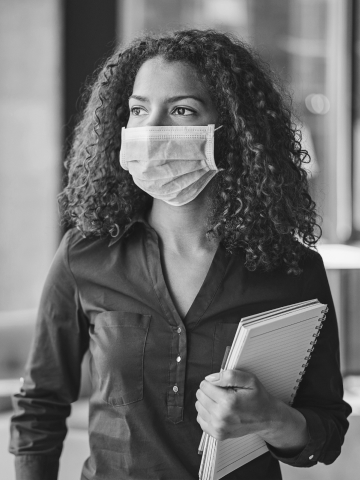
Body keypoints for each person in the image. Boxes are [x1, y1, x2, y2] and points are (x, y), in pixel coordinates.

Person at [9, 29, 351, 480]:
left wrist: (272, 418)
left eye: (182, 110)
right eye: (138, 110)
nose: (150, 131)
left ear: (230, 130)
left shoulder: (292, 270)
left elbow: (326, 430)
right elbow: (40, 405)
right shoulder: (84, 254)